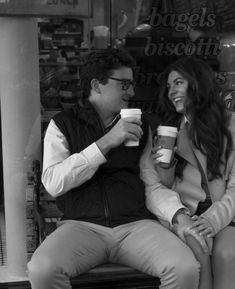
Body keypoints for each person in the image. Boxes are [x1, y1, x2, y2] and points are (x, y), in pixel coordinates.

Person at [27, 48, 203, 289]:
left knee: (184, 268)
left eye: (132, 84)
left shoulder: (140, 127)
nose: (131, 91)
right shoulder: (64, 124)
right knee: (42, 270)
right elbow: (54, 182)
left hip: (136, 225)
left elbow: (152, 185)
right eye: (124, 84)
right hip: (80, 227)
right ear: (97, 85)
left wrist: (178, 214)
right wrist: (106, 143)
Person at [152, 56, 235, 289]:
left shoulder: (231, 126)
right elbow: (162, 188)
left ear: (198, 83)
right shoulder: (170, 130)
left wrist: (212, 220)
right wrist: (165, 166)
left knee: (227, 254)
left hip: (226, 215)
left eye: (178, 83)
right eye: (169, 86)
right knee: (198, 244)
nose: (171, 91)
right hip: (187, 214)